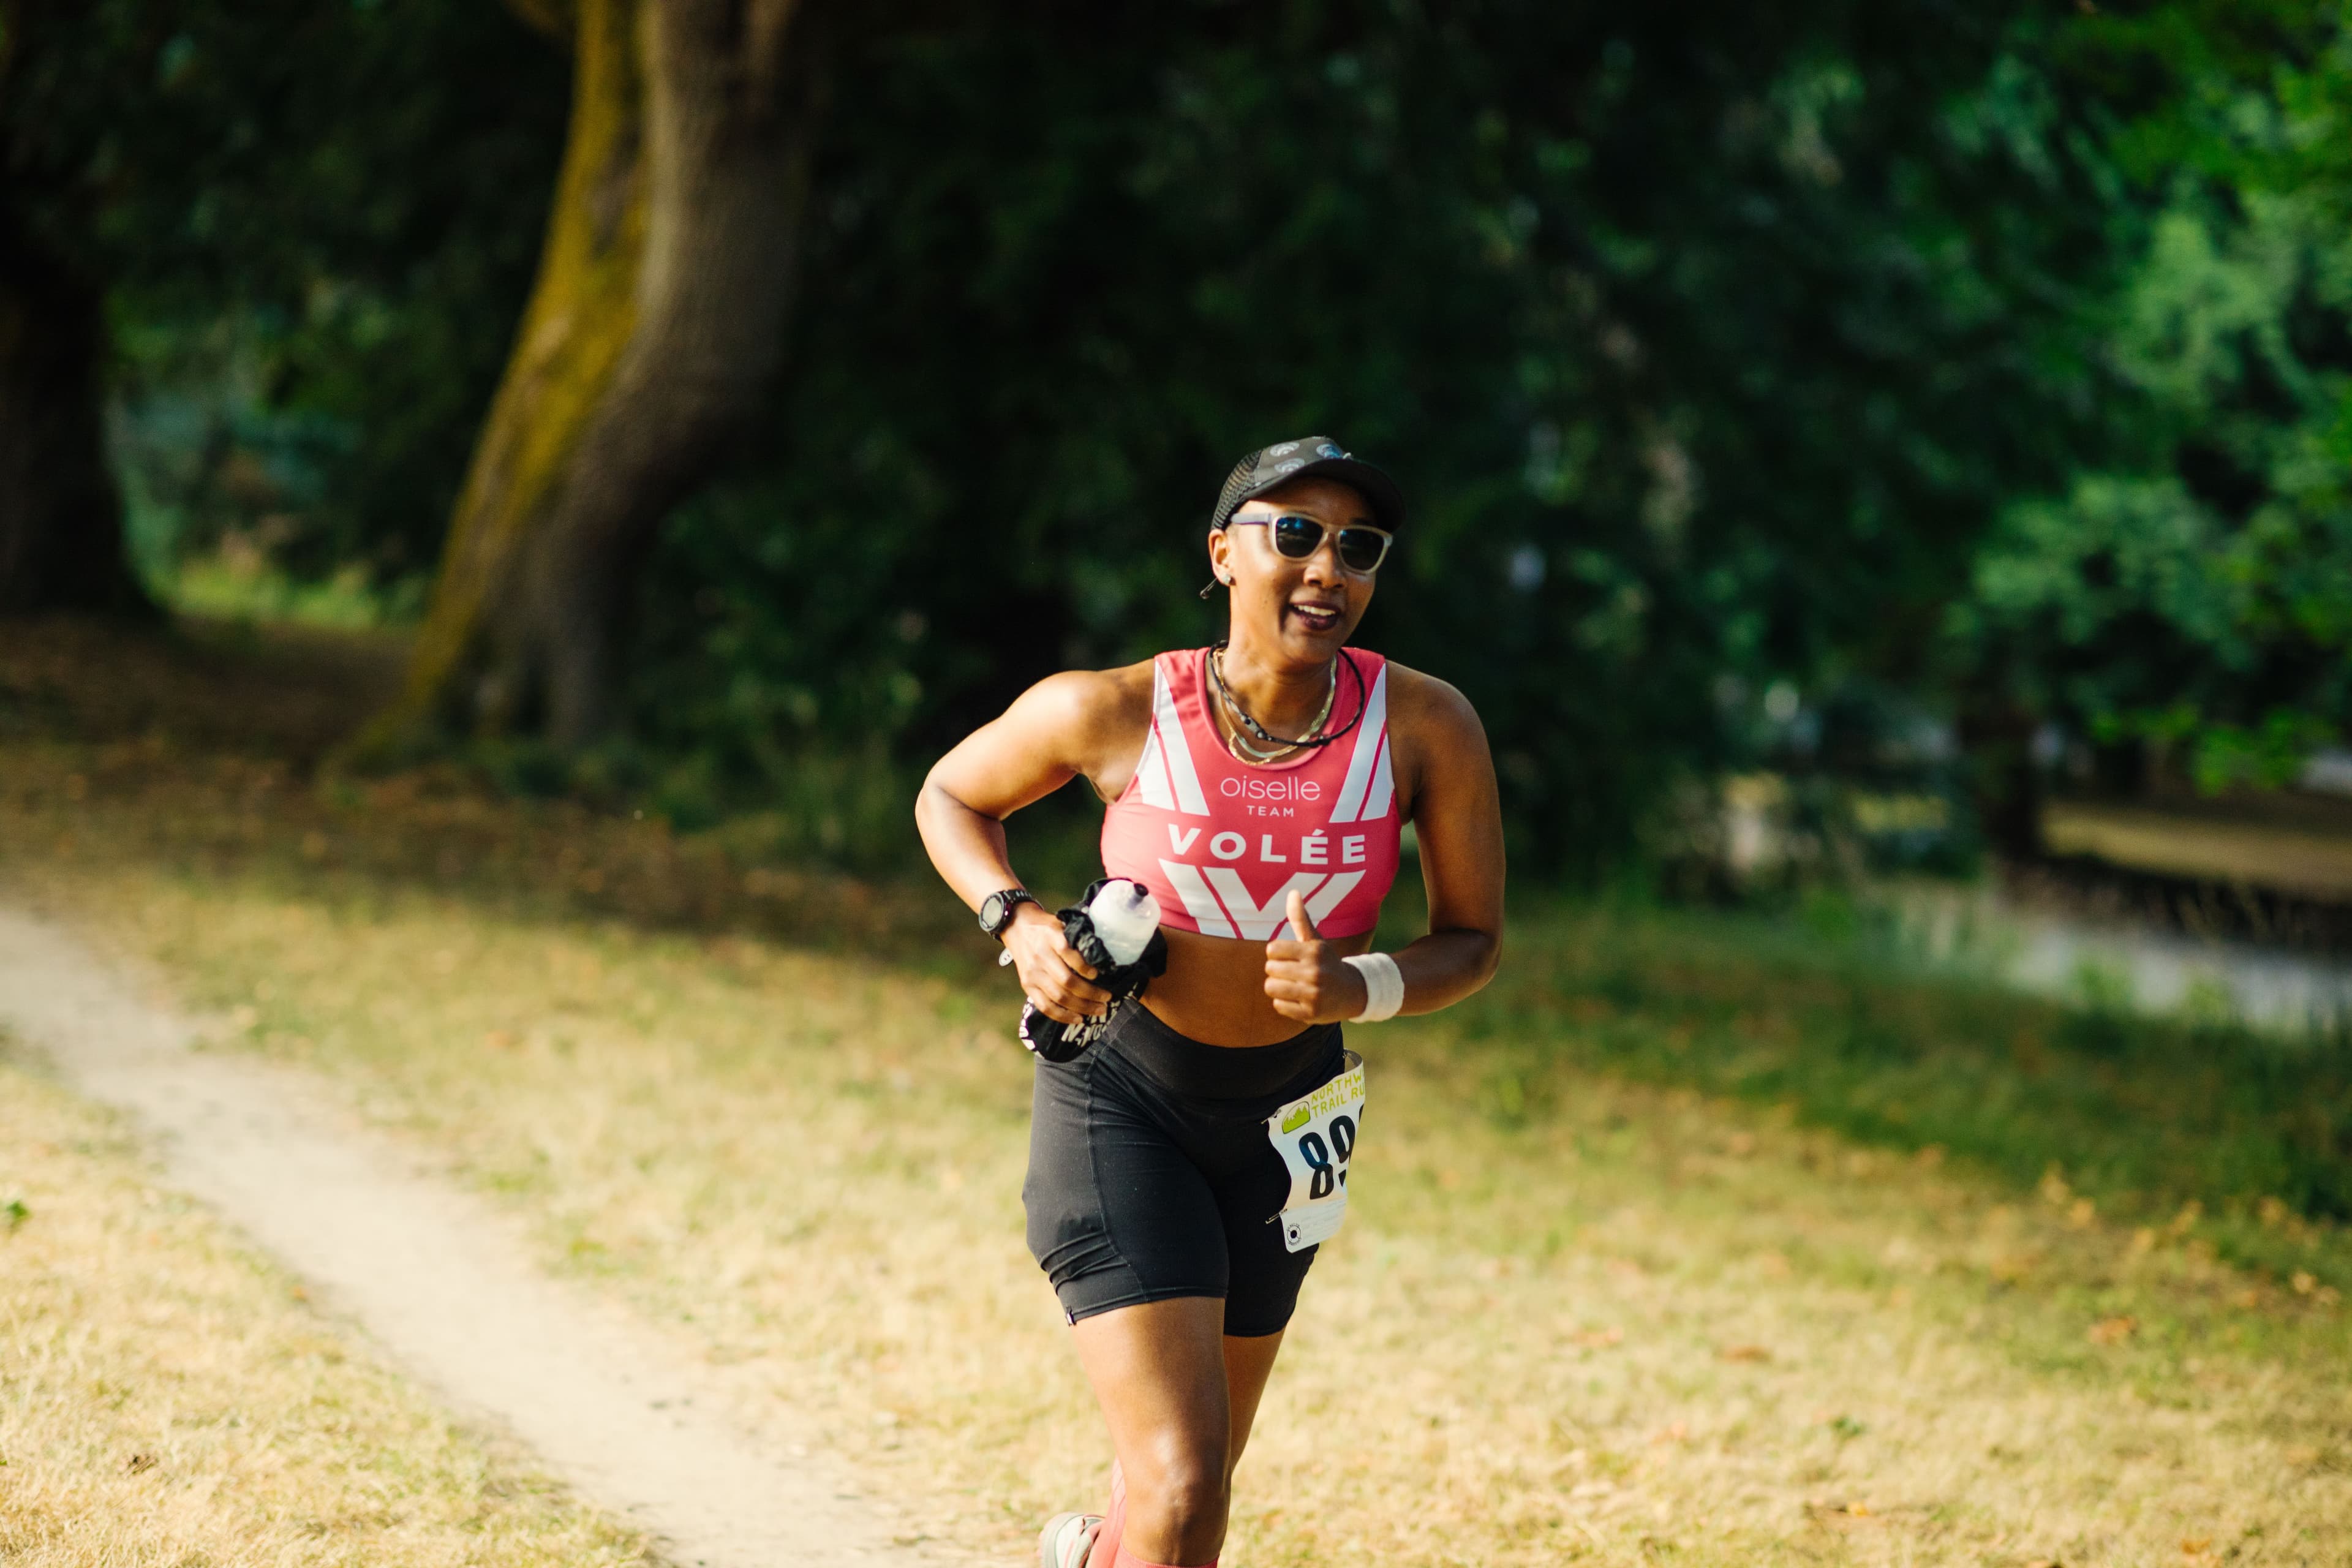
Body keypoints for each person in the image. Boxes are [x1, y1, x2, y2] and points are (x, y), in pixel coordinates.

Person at [915, 439, 1506, 1568]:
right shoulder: (1117, 709)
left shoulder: (1427, 728)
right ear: (1225, 554)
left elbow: (1473, 943)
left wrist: (1359, 987)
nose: (1327, 568)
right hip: (1122, 1100)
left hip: (1291, 1121)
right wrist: (1018, 921)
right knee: (1185, 1490)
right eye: (1294, 534)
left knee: (1183, 1493)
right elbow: (951, 793)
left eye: (1358, 547)